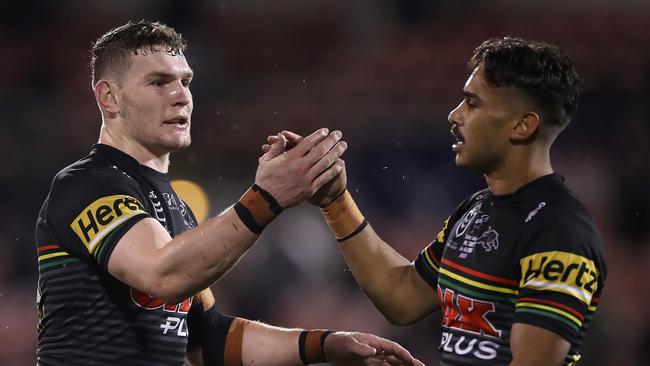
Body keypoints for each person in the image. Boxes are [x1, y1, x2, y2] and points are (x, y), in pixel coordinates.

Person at [34, 20, 425, 366]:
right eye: (158, 82)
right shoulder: (86, 184)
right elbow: (161, 274)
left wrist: (325, 344)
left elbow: (208, 340)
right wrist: (266, 198)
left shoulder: (178, 210)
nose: (181, 95)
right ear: (109, 97)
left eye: (185, 81)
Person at [265, 37, 607, 365]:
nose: (454, 115)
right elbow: (402, 297)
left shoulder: (559, 232)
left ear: (522, 125)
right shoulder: (475, 211)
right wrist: (335, 200)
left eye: (473, 103)